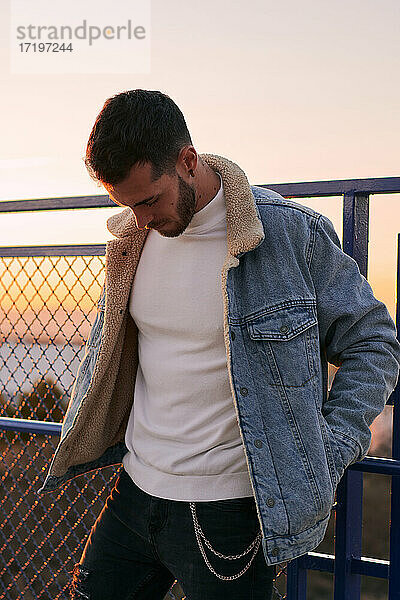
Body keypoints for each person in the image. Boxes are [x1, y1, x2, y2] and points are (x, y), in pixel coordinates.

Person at [38, 89, 400, 600]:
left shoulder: (288, 234)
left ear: (188, 162)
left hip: (228, 510)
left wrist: (332, 445)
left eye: (148, 200)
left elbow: (374, 343)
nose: (140, 218)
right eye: (126, 204)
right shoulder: (131, 240)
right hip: (135, 490)